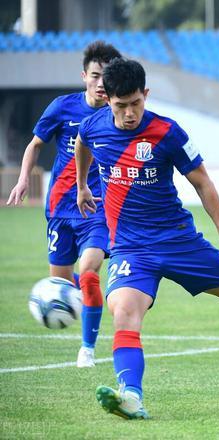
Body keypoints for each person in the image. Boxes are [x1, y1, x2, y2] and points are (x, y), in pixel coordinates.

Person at [75, 58, 219, 420]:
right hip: (131, 248)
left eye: (136, 103)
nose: (129, 113)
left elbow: (203, 182)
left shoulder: (168, 132)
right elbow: (83, 144)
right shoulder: (93, 126)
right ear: (107, 100)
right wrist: (83, 185)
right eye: (121, 105)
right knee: (124, 313)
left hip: (179, 241)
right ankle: (131, 397)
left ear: (146, 94)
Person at [6, 41, 122, 368]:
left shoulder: (118, 113)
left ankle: (87, 349)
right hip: (59, 209)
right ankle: (90, 300)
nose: (101, 83)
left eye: (107, 77)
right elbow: (35, 144)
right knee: (60, 283)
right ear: (84, 76)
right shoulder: (62, 107)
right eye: (95, 76)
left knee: (88, 270)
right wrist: (23, 179)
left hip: (96, 209)